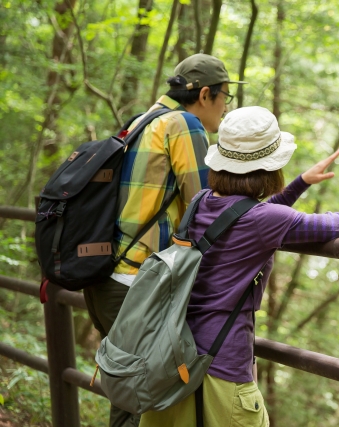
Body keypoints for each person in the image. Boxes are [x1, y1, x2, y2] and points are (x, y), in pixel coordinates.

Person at [139, 106, 339, 427]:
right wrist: (298, 189)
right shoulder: (265, 220)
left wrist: (300, 183)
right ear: (270, 167)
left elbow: (243, 215)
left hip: (171, 357)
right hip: (222, 366)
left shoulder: (201, 200)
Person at [84, 53, 244, 427]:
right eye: (225, 97)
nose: (225, 108)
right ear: (205, 94)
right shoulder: (184, 125)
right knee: (140, 403)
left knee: (128, 394)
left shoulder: (142, 120)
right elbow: (207, 207)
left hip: (108, 275)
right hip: (137, 283)